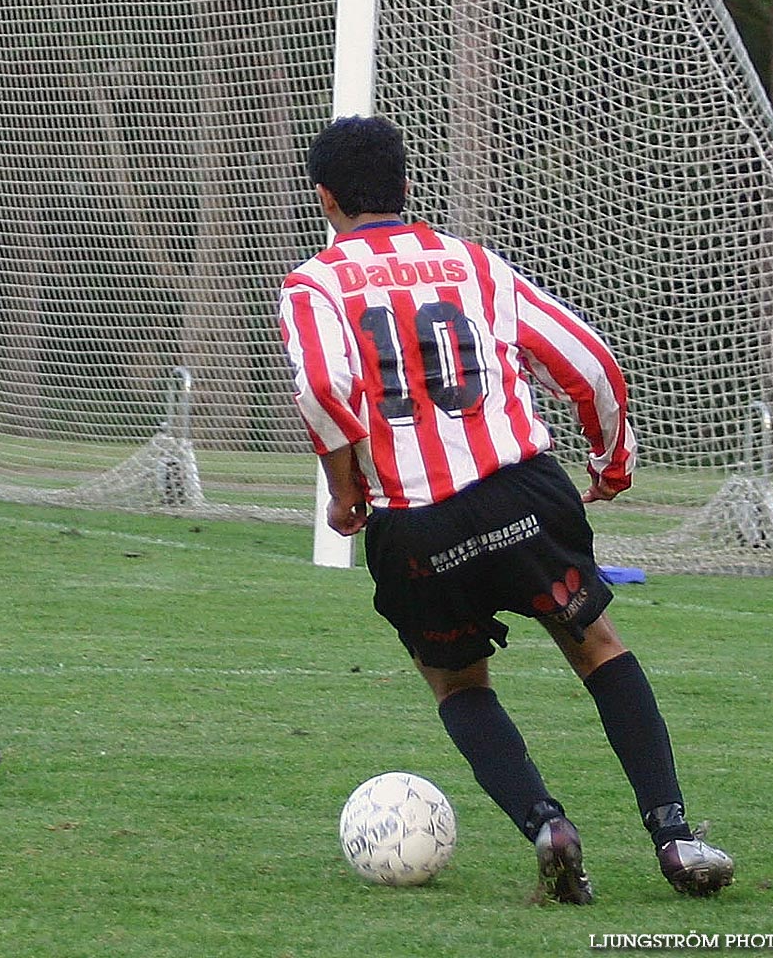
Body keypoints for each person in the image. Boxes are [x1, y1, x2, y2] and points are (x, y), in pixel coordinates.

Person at [278, 115, 733, 902]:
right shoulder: (472, 264)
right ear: (409, 188)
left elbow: (322, 388)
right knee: (595, 646)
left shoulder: (313, 284)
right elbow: (590, 365)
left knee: (459, 685)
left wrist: (345, 489)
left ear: (323, 198)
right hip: (523, 491)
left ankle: (546, 824)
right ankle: (675, 837)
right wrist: (610, 464)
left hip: (417, 524)